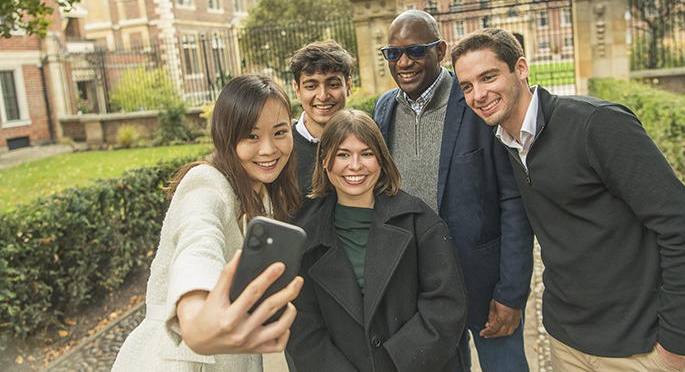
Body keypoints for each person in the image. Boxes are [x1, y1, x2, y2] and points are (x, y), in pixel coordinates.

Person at [451, 28, 685, 371]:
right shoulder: (505, 144)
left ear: (521, 68)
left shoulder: (596, 124)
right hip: (566, 343)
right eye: (467, 87)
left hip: (638, 347)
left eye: (488, 77)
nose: (479, 95)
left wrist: (675, 343)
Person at [372, 10, 534, 371]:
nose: (404, 62)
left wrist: (511, 292)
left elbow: (514, 201)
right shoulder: (383, 108)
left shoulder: (477, 102)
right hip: (420, 285)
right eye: (393, 54)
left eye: (415, 50)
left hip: (483, 282)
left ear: (440, 50)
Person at [112, 73, 304, 371]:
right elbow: (198, 243)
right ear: (226, 137)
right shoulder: (206, 183)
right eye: (252, 136)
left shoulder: (263, 192)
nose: (268, 149)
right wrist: (195, 318)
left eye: (279, 132)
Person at [286, 109, 468, 371]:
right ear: (325, 161)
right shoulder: (306, 238)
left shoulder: (420, 222)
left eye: (367, 153)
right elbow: (303, 326)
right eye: (343, 154)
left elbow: (446, 304)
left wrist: (394, 364)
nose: (355, 165)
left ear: (381, 160)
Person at [289, 40, 355, 195]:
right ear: (297, 90)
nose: (323, 96)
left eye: (333, 85)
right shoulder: (283, 147)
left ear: (348, 86)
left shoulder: (364, 141)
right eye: (311, 86)